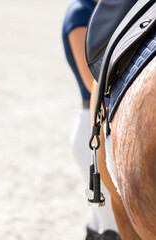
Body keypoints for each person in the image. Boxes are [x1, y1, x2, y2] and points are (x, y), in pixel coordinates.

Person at [62, 0, 121, 239]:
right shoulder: (80, 13)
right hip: (94, 124)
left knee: (97, 224)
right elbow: (91, 82)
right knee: (112, 227)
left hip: (103, 120)